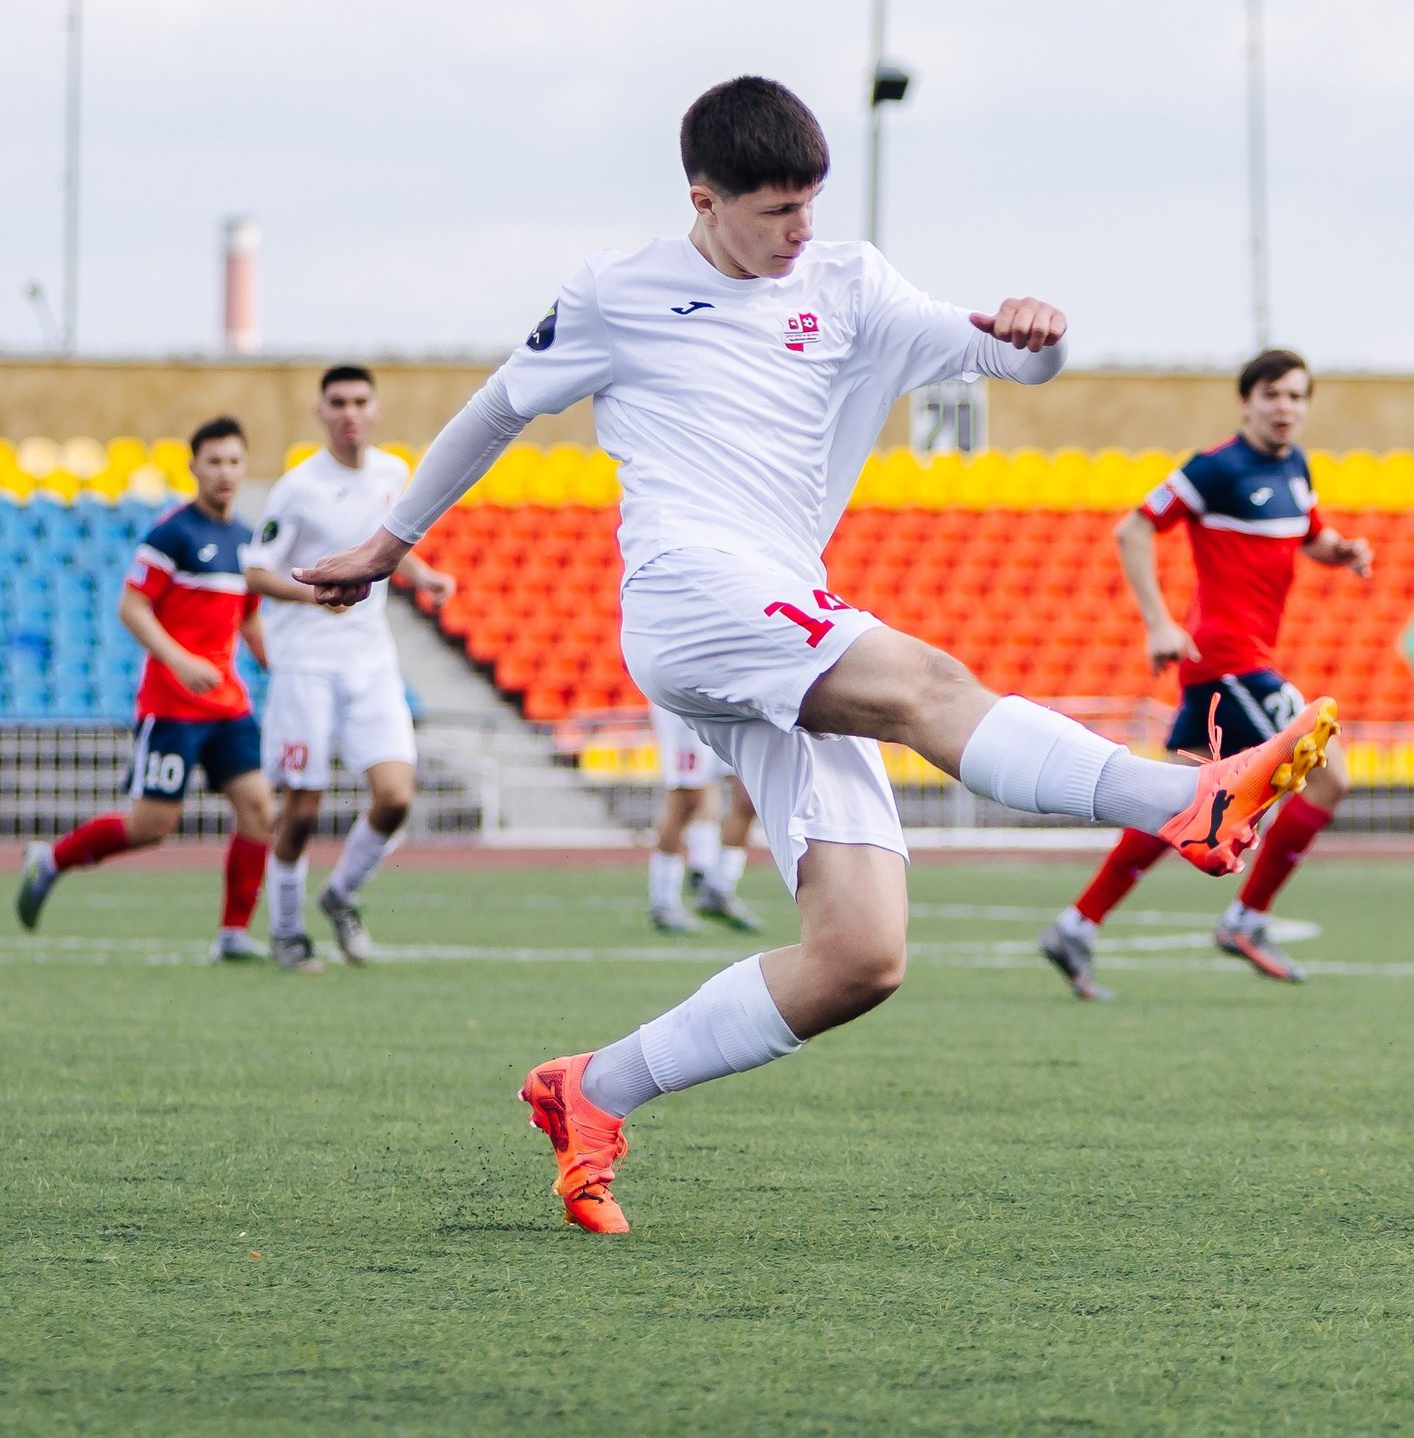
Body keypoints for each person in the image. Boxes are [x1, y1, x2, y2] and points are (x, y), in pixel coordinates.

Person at [296, 75, 1336, 1234]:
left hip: (783, 602)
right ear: (705, 200)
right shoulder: (618, 291)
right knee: (927, 685)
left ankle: (592, 1091)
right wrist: (389, 543)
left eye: (811, 204)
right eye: (776, 211)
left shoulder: (851, 284)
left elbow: (1005, 361)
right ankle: (1184, 802)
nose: (800, 230)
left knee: (859, 956)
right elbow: (498, 408)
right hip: (690, 591)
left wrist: (1039, 339)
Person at [1037, 349, 1372, 1000]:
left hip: (1229, 667)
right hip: (1231, 660)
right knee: (1330, 775)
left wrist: (1344, 552)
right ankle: (1246, 920)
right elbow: (1133, 530)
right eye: (1272, 394)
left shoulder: (1296, 469)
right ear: (1246, 402)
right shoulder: (1214, 469)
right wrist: (1159, 622)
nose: (1285, 407)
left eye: (1296, 396)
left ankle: (1076, 925)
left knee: (1181, 803)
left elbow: (1311, 536)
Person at [17, 419, 280, 964]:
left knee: (259, 808)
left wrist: (274, 660)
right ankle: (52, 860)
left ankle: (233, 933)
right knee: (151, 827)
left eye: (234, 461)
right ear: (194, 467)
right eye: (214, 461)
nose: (225, 472)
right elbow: (131, 608)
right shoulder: (171, 535)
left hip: (228, 705)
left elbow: (249, 615)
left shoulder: (246, 539)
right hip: (173, 706)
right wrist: (180, 661)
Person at [242, 366, 456, 971]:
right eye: (337, 402)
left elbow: (388, 544)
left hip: (371, 661)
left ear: (376, 410)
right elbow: (255, 572)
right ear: (321, 413)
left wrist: (423, 576)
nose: (350, 412)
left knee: (395, 798)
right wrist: (315, 593)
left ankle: (340, 895)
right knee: (302, 811)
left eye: (360, 401)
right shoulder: (298, 488)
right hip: (306, 665)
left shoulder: (393, 474)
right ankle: (286, 931)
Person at [645, 700, 761, 934]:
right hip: (691, 702)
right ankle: (663, 901)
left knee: (750, 796)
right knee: (687, 801)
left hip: (732, 703)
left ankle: (719, 889)